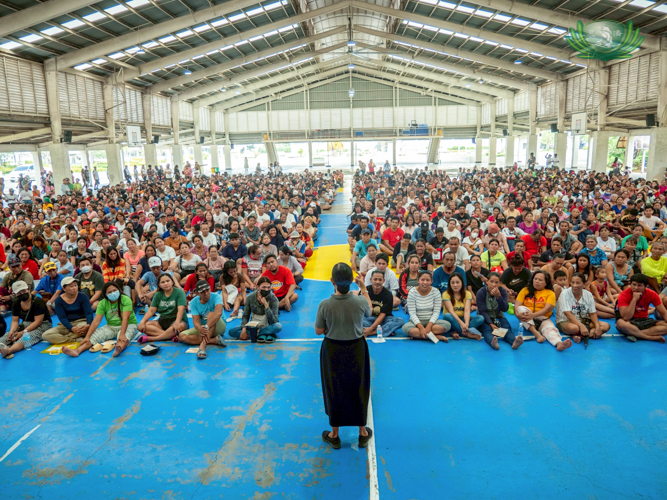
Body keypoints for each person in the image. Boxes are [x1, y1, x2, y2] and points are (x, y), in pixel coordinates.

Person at [316, 263, 372, 450]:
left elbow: (319, 331)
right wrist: (363, 288)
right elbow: (370, 311)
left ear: (332, 281)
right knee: (359, 387)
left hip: (332, 350)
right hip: (356, 348)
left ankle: (335, 434)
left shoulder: (325, 305)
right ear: (351, 281)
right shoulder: (360, 301)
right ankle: (362, 432)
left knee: (335, 388)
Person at [62, 282, 140, 358]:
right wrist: (87, 337)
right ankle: (77, 351)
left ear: (119, 290)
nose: (113, 293)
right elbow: (96, 321)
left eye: (115, 290)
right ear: (105, 295)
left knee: (124, 337)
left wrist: (122, 334)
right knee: (93, 337)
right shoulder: (102, 303)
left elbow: (125, 319)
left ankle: (119, 348)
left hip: (129, 324)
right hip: (110, 326)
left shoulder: (125, 299)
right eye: (109, 292)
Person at [515, 271, 572, 351]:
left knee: (550, 330)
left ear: (546, 283)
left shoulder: (550, 293)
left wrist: (533, 315)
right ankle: (536, 333)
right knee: (521, 309)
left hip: (543, 318)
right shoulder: (525, 290)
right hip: (527, 318)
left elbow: (547, 309)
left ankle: (559, 344)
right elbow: (517, 305)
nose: (537, 281)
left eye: (540, 280)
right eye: (535, 279)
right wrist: (518, 315)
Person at [0, 281, 50, 359]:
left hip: (42, 325)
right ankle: (2, 346)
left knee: (26, 338)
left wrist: (23, 332)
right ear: (15, 294)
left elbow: (38, 321)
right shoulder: (16, 302)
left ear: (28, 289)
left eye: (24, 291)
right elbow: (15, 320)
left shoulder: (38, 301)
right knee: (8, 336)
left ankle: (9, 350)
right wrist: (12, 331)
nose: (22, 294)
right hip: (26, 324)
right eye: (19, 293)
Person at [556, 273, 610, 343]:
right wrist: (581, 326)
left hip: (584, 320)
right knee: (574, 328)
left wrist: (597, 327)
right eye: (573, 282)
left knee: (606, 326)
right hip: (566, 321)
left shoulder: (588, 294)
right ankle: (586, 334)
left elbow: (592, 313)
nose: (575, 285)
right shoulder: (565, 294)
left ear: (584, 284)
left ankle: (580, 336)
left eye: (578, 283)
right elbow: (568, 314)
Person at [179, 280, 226, 357]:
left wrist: (206, 326)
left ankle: (203, 345)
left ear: (210, 288)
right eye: (202, 292)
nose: (206, 293)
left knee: (211, 314)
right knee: (182, 336)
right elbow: (196, 321)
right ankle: (214, 340)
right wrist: (199, 328)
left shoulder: (216, 297)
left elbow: (218, 313)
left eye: (207, 290)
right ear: (197, 293)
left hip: (219, 326)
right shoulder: (194, 302)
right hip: (205, 328)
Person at [476, 272, 522, 350]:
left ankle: (514, 342)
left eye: (496, 282)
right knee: (487, 330)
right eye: (491, 281)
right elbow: (482, 311)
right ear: (487, 282)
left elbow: (505, 309)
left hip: (498, 316)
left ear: (500, 283)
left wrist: (499, 297)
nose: (493, 284)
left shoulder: (502, 291)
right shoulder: (481, 292)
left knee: (506, 328)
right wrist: (491, 324)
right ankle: (493, 342)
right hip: (485, 317)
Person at [228, 276, 282, 343]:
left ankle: (256, 334)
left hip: (268, 324)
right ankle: (266, 334)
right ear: (257, 287)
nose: (266, 290)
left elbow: (274, 321)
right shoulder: (250, 297)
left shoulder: (273, 299)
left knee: (278, 327)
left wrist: (266, 305)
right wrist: (244, 329)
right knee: (232, 331)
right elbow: (246, 315)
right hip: (254, 325)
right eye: (264, 287)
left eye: (268, 287)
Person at [401, 270, 451, 341]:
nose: (425, 282)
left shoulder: (436, 292)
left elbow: (436, 312)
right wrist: (421, 327)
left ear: (431, 281)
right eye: (422, 280)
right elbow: (412, 313)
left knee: (447, 325)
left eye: (428, 280)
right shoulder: (412, 292)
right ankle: (436, 337)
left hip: (432, 321)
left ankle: (419, 335)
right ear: (418, 280)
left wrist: (429, 325)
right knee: (405, 328)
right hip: (416, 322)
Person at [615, 273, 667, 342]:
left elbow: (664, 313)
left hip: (644, 320)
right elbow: (626, 317)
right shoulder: (623, 295)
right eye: (634, 285)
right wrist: (634, 299)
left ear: (646, 286)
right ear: (630, 284)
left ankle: (634, 333)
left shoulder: (652, 294)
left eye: (639, 286)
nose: (636, 288)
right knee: (620, 323)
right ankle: (649, 337)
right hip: (629, 321)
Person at [42, 277, 95, 344]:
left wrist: (88, 324)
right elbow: (62, 317)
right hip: (66, 325)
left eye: (75, 285)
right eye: (71, 286)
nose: (74, 288)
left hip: (81, 322)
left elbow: (89, 313)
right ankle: (74, 339)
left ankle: (66, 338)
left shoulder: (83, 296)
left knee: (84, 329)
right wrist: (71, 328)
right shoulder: (59, 300)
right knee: (46, 335)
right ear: (64, 288)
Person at [136, 274, 188, 343]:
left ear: (172, 282)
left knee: (179, 326)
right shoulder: (158, 294)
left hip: (178, 321)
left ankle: (152, 338)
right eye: (162, 282)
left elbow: (181, 309)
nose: (166, 283)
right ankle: (169, 336)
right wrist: (142, 322)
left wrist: (177, 322)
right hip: (163, 322)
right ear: (159, 285)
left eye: (168, 281)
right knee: (144, 326)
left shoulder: (179, 292)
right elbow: (151, 310)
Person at [362, 269, 405, 337]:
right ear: (371, 280)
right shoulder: (366, 291)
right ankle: (386, 330)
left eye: (380, 280)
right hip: (369, 318)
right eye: (375, 279)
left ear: (383, 281)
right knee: (356, 320)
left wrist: (371, 329)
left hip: (384, 319)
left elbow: (383, 315)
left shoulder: (387, 295)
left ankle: (374, 332)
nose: (377, 282)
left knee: (400, 321)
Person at [442, 272, 483, 340]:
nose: (455, 285)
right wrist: (461, 324)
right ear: (449, 284)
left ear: (462, 283)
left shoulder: (467, 293)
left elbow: (467, 310)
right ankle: (468, 334)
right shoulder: (445, 294)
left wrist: (466, 324)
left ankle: (458, 332)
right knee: (447, 315)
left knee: (480, 318)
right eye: (452, 283)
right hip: (453, 320)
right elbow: (451, 311)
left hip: (463, 319)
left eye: (457, 282)